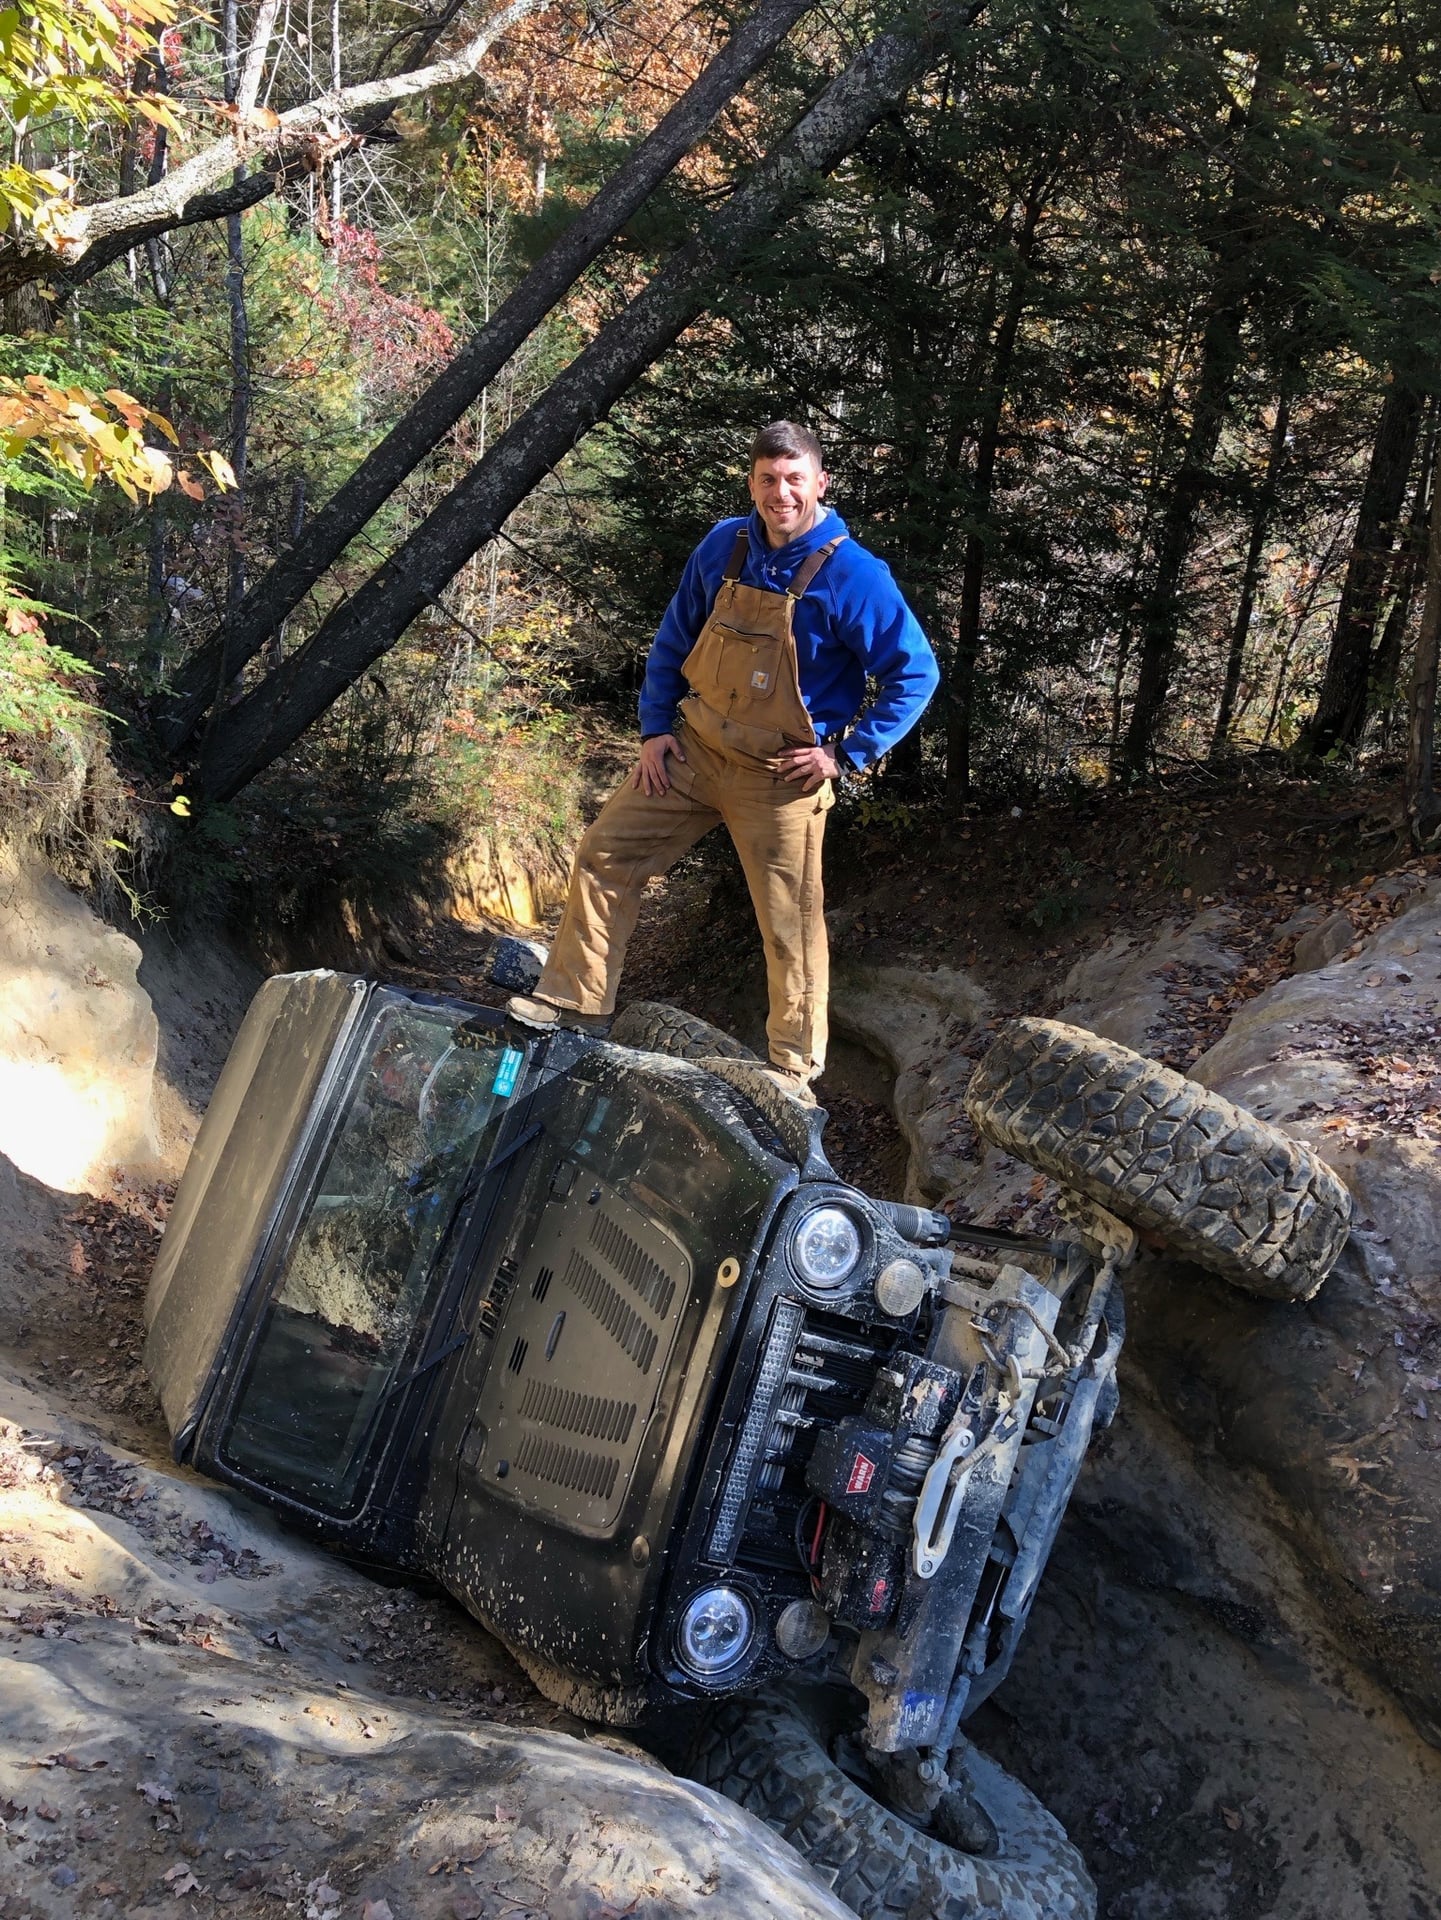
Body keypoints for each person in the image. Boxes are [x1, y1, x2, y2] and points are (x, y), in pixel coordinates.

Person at [508, 419, 939, 1101]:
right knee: (605, 853)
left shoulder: (854, 574)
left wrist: (847, 753)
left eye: (794, 479)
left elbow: (914, 673)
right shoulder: (724, 546)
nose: (780, 493)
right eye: (768, 479)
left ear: (820, 483)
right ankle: (573, 1005)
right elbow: (674, 637)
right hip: (693, 752)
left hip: (778, 778)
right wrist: (655, 728)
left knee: (789, 923)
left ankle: (792, 1072)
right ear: (751, 482)